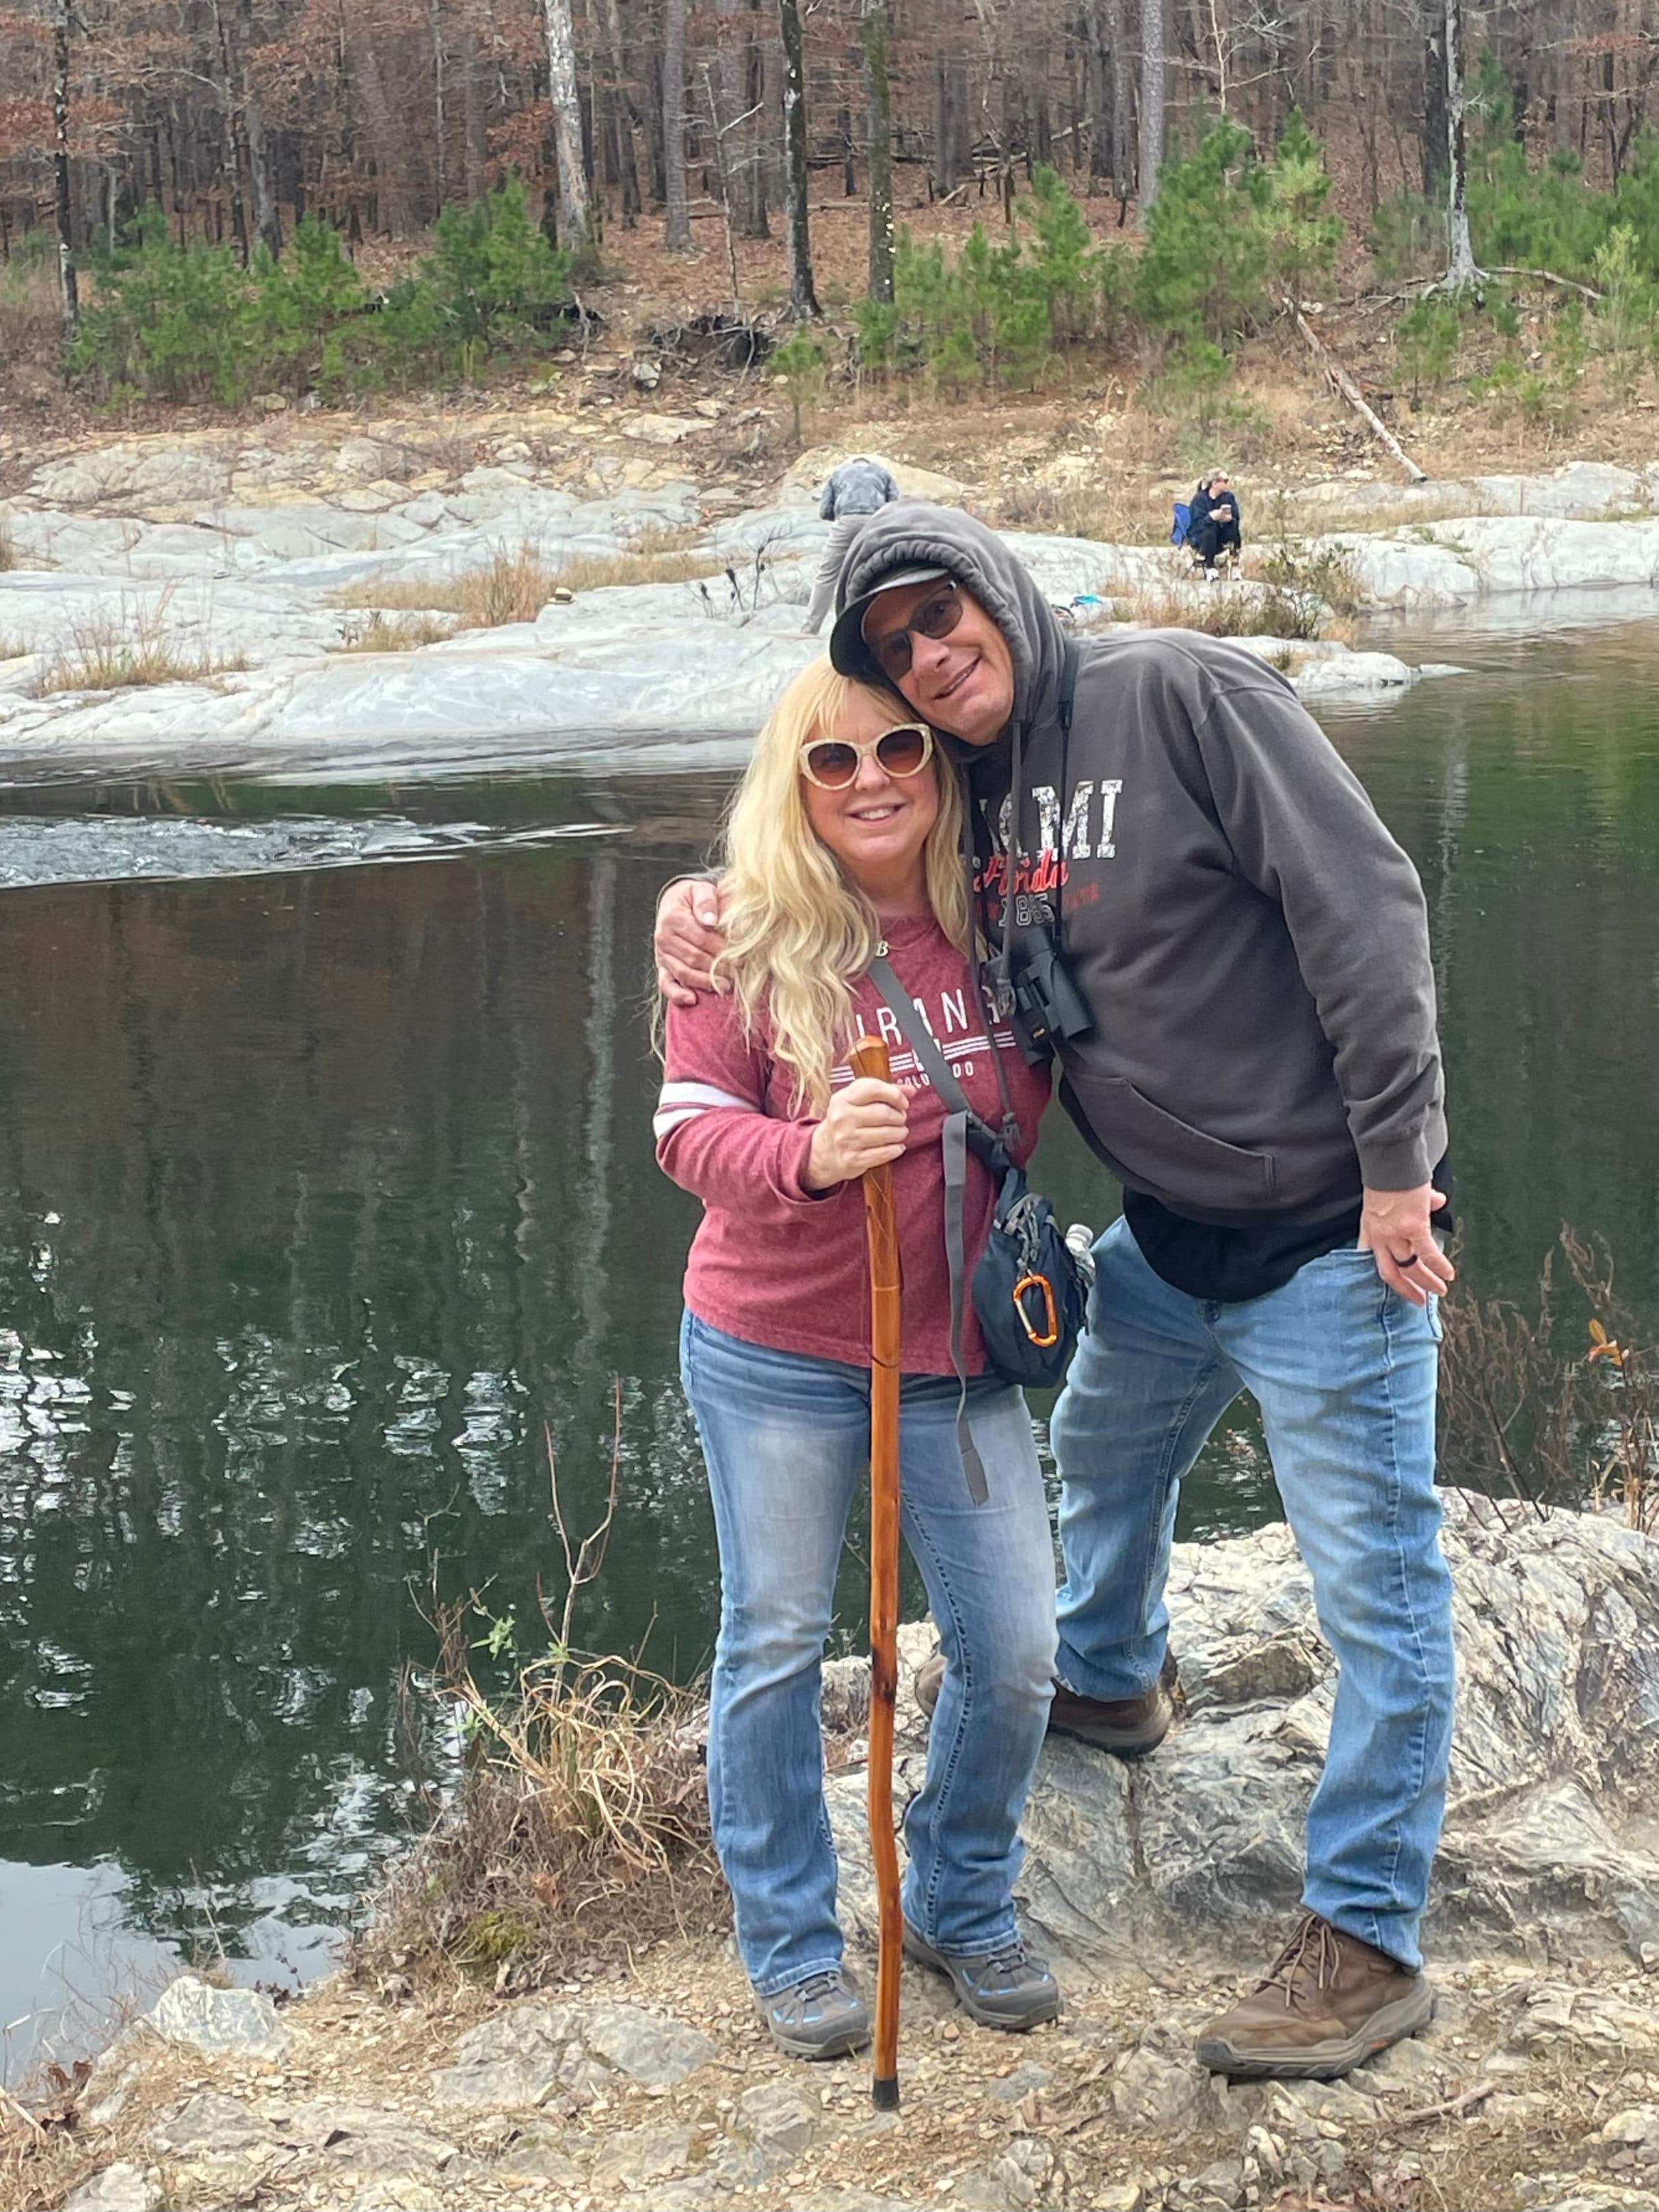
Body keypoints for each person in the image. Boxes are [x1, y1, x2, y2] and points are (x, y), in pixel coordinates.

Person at [656, 505, 1457, 2085]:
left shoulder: (1183, 694)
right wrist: (706, 904)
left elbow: (1364, 911)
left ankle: (1362, 1939)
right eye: (889, 655)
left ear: (1000, 592)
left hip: (1319, 1230)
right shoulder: (965, 785)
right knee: (1103, 1455)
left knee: (1380, 1594)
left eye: (942, 617)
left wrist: (1397, 1164)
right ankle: (1110, 1674)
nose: (927, 663)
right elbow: (815, 864)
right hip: (1155, 1239)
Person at [656, 654, 1060, 2062]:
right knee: (773, 1641)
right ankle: (790, 1937)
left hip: (957, 1357)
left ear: (940, 764)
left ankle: (954, 1895)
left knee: (1013, 1650)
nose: (872, 778)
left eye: (899, 747)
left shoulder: (1005, 914)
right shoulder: (743, 939)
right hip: (774, 1348)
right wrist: (808, 1156)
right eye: (834, 761)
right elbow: (686, 1129)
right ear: (797, 783)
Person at [803, 456, 901, 634]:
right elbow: (894, 506)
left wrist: (842, 517)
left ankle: (810, 628)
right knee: (881, 572)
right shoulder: (882, 473)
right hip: (876, 522)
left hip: (847, 521)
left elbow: (825, 510)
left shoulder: (839, 473)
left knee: (827, 574)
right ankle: (882, 626)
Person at [1188, 470, 1242, 578]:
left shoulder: (1229, 497)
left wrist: (1228, 519)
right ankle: (1210, 566)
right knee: (1210, 527)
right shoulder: (1200, 499)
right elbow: (1196, 525)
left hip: (1222, 536)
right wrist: (1211, 517)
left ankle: (1235, 564)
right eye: (1225, 481)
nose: (1227, 484)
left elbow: (1236, 517)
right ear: (1214, 483)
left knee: (1233, 527)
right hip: (1202, 539)